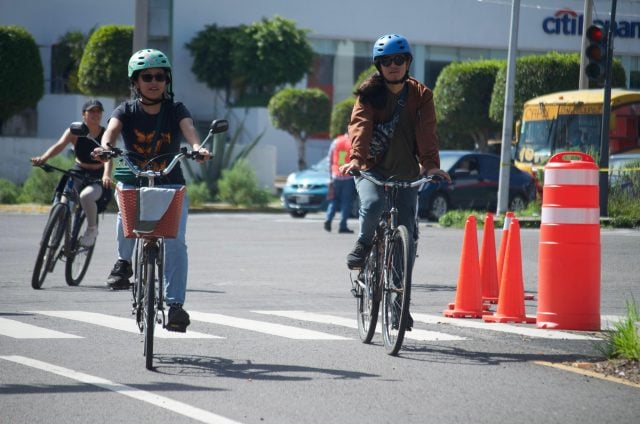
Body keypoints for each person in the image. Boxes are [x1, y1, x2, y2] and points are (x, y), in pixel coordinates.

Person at [93, 49, 209, 332]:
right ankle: (123, 262)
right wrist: (106, 148)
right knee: (125, 210)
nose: (154, 81)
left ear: (167, 80)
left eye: (159, 76)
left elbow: (189, 129)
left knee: (176, 242)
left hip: (170, 182)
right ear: (136, 82)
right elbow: (111, 131)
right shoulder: (126, 110)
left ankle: (176, 306)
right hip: (134, 178)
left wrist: (197, 147)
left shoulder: (176, 109)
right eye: (147, 77)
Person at [339, 34, 451, 271]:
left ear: (408, 62)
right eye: (386, 61)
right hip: (371, 169)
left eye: (399, 59)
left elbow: (427, 131)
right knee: (372, 205)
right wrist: (357, 159)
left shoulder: (422, 95)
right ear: (378, 65)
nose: (393, 65)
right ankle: (364, 243)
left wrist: (430, 165)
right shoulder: (368, 94)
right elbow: (360, 126)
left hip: (406, 173)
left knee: (407, 232)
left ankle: (401, 301)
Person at [31, 99, 110, 247]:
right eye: (91, 111)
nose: (95, 114)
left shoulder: (105, 134)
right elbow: (59, 146)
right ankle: (55, 233)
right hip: (77, 171)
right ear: (83, 114)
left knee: (86, 197)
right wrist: (43, 158)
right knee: (62, 202)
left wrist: (106, 175)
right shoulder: (74, 132)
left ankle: (92, 230)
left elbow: (108, 158)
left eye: (98, 111)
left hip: (97, 175)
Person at [324, 132, 356, 233]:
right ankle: (342, 225)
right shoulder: (353, 142)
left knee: (334, 199)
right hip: (348, 176)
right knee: (346, 202)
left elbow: (329, 160)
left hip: (336, 174)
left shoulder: (336, 141)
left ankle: (328, 218)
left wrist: (330, 177)